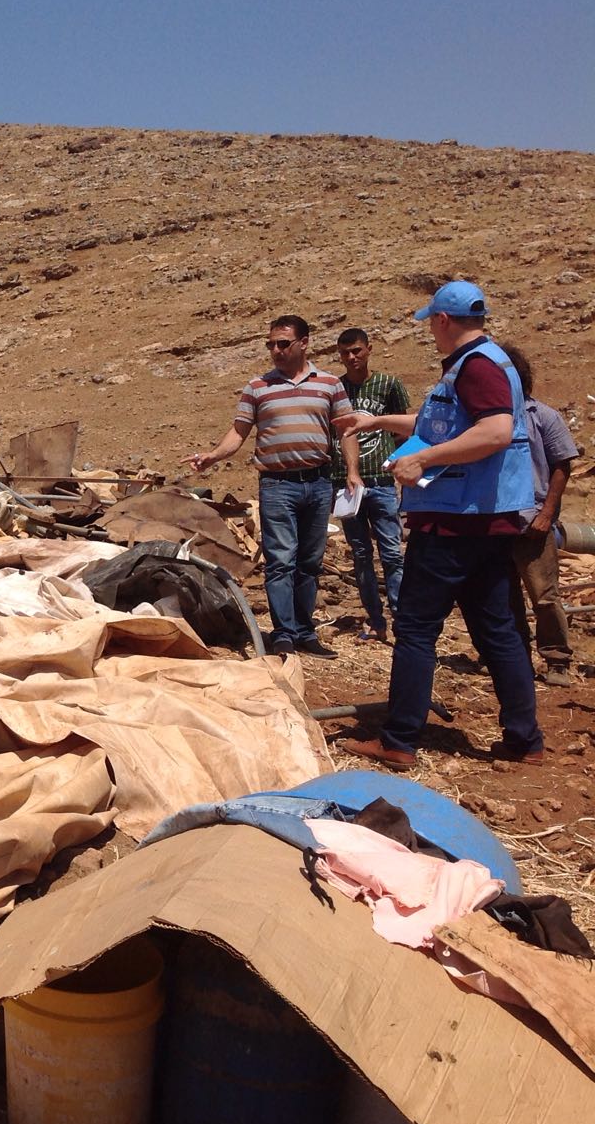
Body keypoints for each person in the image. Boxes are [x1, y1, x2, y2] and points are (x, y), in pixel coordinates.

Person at [337, 280, 544, 769]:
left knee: (415, 628)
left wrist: (423, 461)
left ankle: (399, 740)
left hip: (452, 525)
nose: (430, 330)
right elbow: (443, 425)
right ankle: (524, 740)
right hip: (485, 523)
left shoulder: (475, 368)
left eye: (431, 321)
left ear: (444, 321)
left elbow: (494, 430)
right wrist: (380, 423)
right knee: (497, 631)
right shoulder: (484, 364)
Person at [185, 315, 358, 656]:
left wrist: (352, 471)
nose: (275, 351)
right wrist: (212, 456)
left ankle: (306, 634)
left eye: (283, 344)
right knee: (281, 561)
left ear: (304, 343)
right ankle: (283, 635)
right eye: (270, 345)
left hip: (319, 483)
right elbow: (239, 432)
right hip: (277, 485)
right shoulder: (258, 387)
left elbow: (346, 430)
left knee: (310, 561)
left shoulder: (329, 385)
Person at [499, 344, 580, 687]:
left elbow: (563, 463)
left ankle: (557, 659)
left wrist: (547, 512)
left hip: (533, 520)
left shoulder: (542, 416)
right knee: (504, 597)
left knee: (544, 596)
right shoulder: (486, 422)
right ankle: (515, 659)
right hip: (496, 522)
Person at [330, 329, 408, 643]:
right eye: (345, 352)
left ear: (369, 350)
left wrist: (402, 464)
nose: (352, 358)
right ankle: (376, 622)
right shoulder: (336, 389)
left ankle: (403, 623)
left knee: (392, 554)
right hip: (346, 487)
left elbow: (403, 430)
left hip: (382, 481)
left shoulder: (388, 385)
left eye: (357, 351)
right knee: (360, 555)